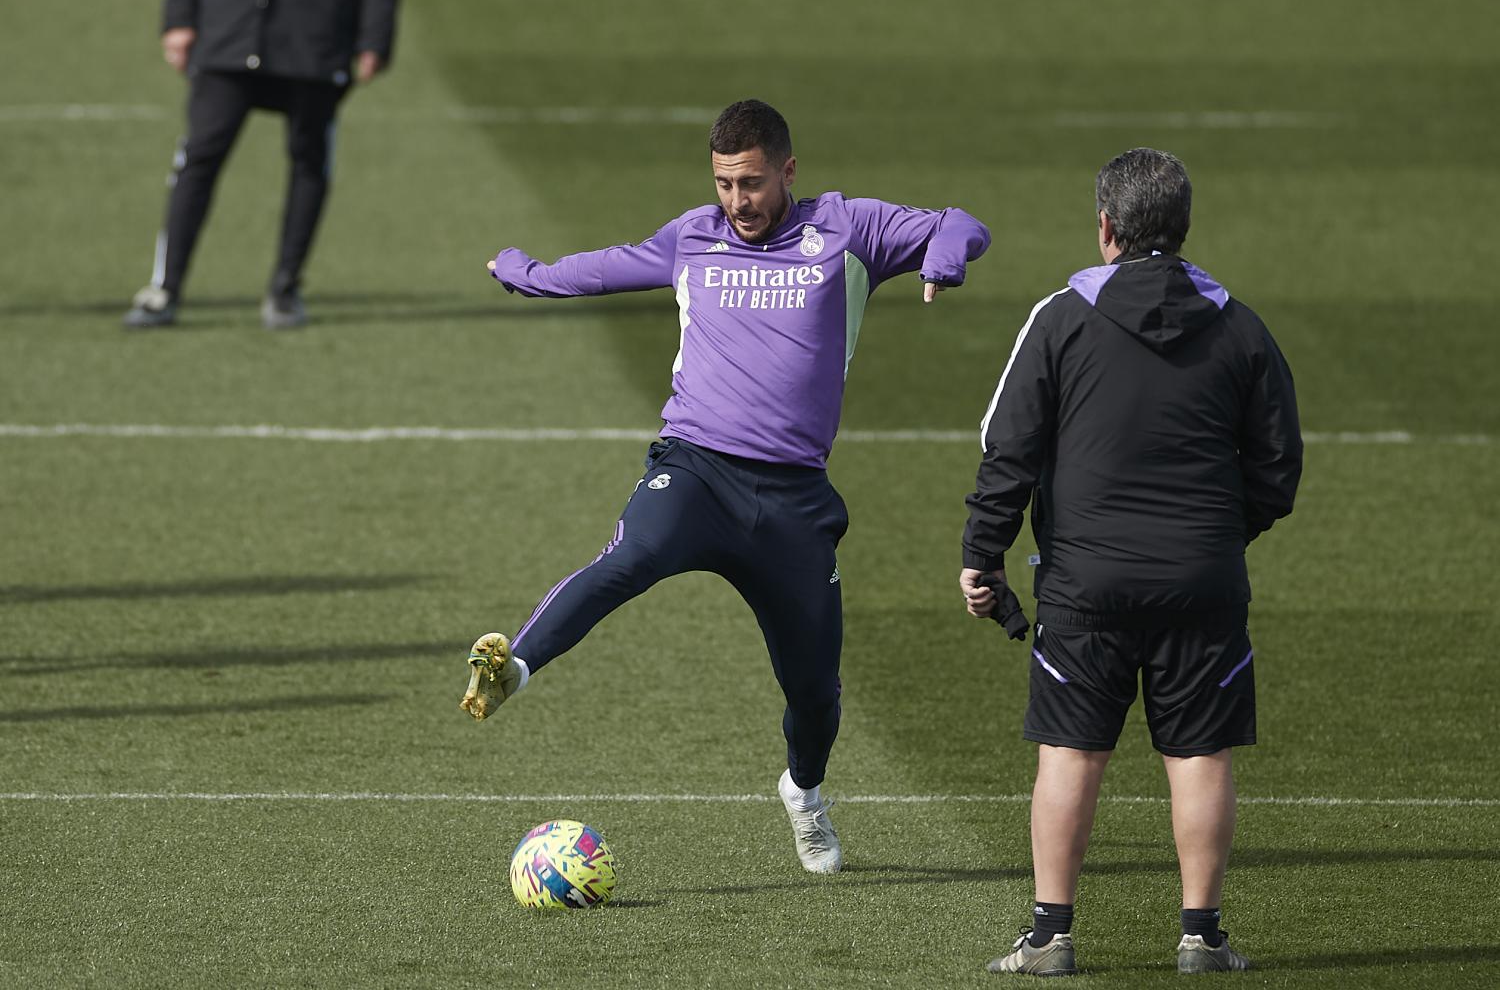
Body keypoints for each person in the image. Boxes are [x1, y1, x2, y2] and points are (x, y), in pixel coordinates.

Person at [461, 99, 991, 874]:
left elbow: (962, 223)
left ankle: (804, 791)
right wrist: (525, 274)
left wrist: (943, 259)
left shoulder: (848, 229)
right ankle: (516, 667)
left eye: (750, 183)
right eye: (723, 184)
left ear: (787, 170)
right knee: (630, 557)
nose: (736, 202)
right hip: (696, 469)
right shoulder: (694, 237)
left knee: (814, 692)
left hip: (793, 501)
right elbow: (604, 268)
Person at [960, 148, 1301, 975]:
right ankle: (1202, 937)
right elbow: (1279, 467)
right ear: (1182, 227)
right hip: (1202, 584)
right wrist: (1217, 537)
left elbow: (1008, 449)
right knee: (1200, 754)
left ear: (1106, 226)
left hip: (1085, 585)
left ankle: (1050, 937)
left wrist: (982, 554)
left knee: (1071, 751)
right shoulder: (1241, 327)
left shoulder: (1059, 319)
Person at [123, 0, 399, 330]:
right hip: (229, 32)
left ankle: (285, 288)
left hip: (315, 38)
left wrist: (375, 37)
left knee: (310, 161)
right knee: (199, 157)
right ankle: (164, 289)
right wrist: (179, 17)